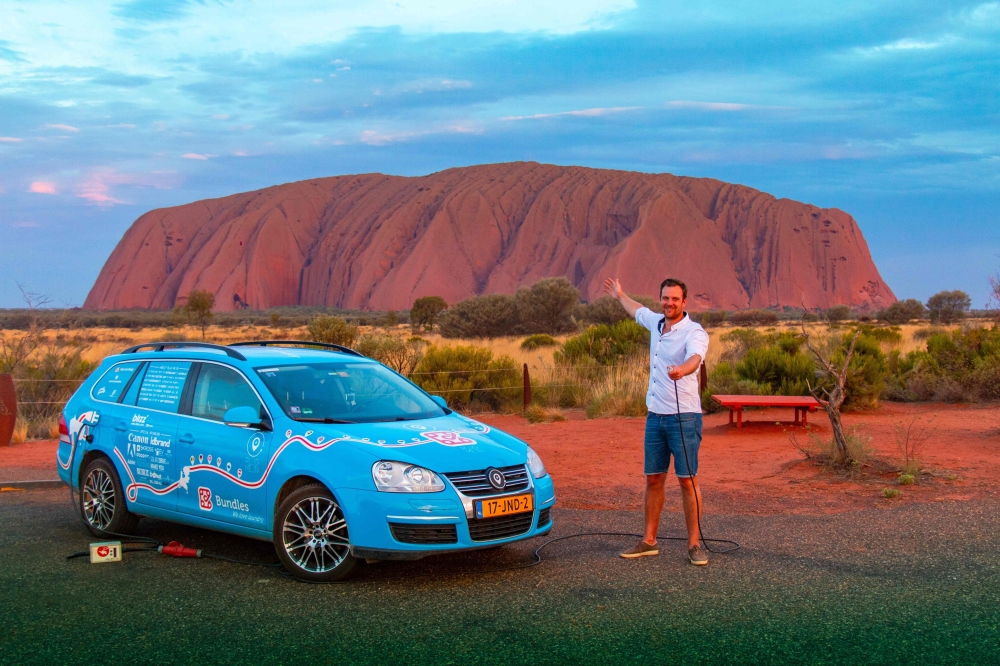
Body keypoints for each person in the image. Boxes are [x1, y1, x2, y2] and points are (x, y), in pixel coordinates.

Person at [604, 277, 710, 565]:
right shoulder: (656, 323)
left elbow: (695, 358)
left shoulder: (694, 332)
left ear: (684, 302)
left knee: (687, 481)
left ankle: (694, 545)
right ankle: (649, 541)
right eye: (665, 298)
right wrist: (620, 294)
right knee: (653, 478)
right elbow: (637, 310)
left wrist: (682, 371)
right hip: (655, 417)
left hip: (684, 417)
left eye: (675, 299)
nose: (669, 303)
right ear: (661, 299)